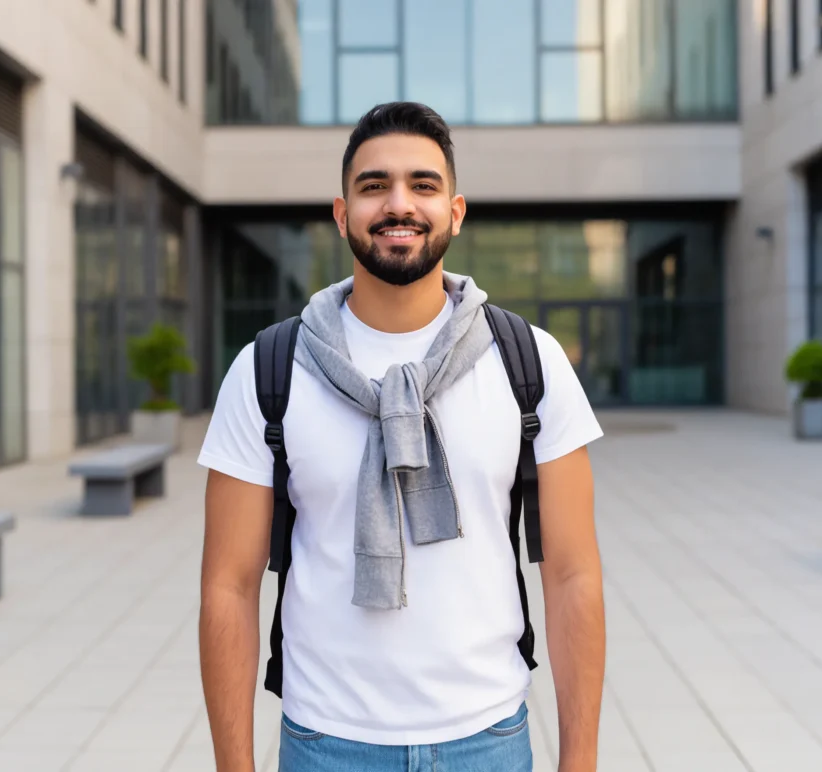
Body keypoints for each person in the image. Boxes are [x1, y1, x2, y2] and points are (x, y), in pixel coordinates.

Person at [197, 101, 605, 772]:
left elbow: (571, 573)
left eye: (422, 184)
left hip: (488, 741)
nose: (398, 204)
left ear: (456, 209)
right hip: (326, 742)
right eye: (373, 186)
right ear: (341, 213)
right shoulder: (269, 369)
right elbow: (229, 587)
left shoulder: (529, 361)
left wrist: (580, 761)